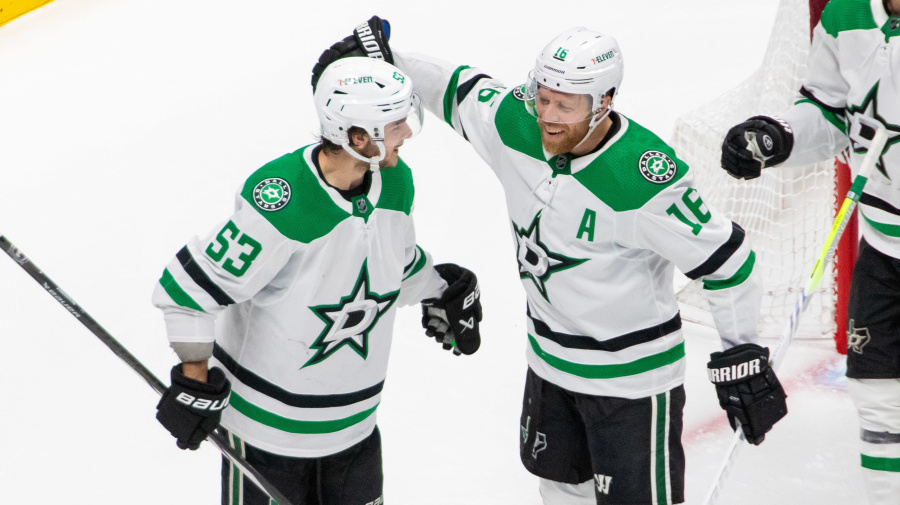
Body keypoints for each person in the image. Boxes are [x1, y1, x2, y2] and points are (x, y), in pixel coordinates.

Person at [314, 18, 788, 505]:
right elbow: (457, 89)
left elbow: (729, 262)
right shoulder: (515, 121)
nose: (549, 115)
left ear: (604, 102)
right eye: (544, 97)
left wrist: (742, 357)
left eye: (567, 104)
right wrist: (387, 60)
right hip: (549, 365)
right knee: (559, 490)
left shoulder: (643, 179)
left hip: (631, 384)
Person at [151, 56, 483, 505]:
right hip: (268, 436)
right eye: (397, 124)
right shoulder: (280, 201)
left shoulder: (396, 183)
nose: (407, 132)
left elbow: (394, 266)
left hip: (356, 429)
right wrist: (194, 379)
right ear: (359, 138)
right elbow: (188, 292)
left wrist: (441, 289)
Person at [721, 0, 900, 503]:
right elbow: (829, 110)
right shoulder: (845, 14)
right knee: (878, 399)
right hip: (884, 247)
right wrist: (779, 138)